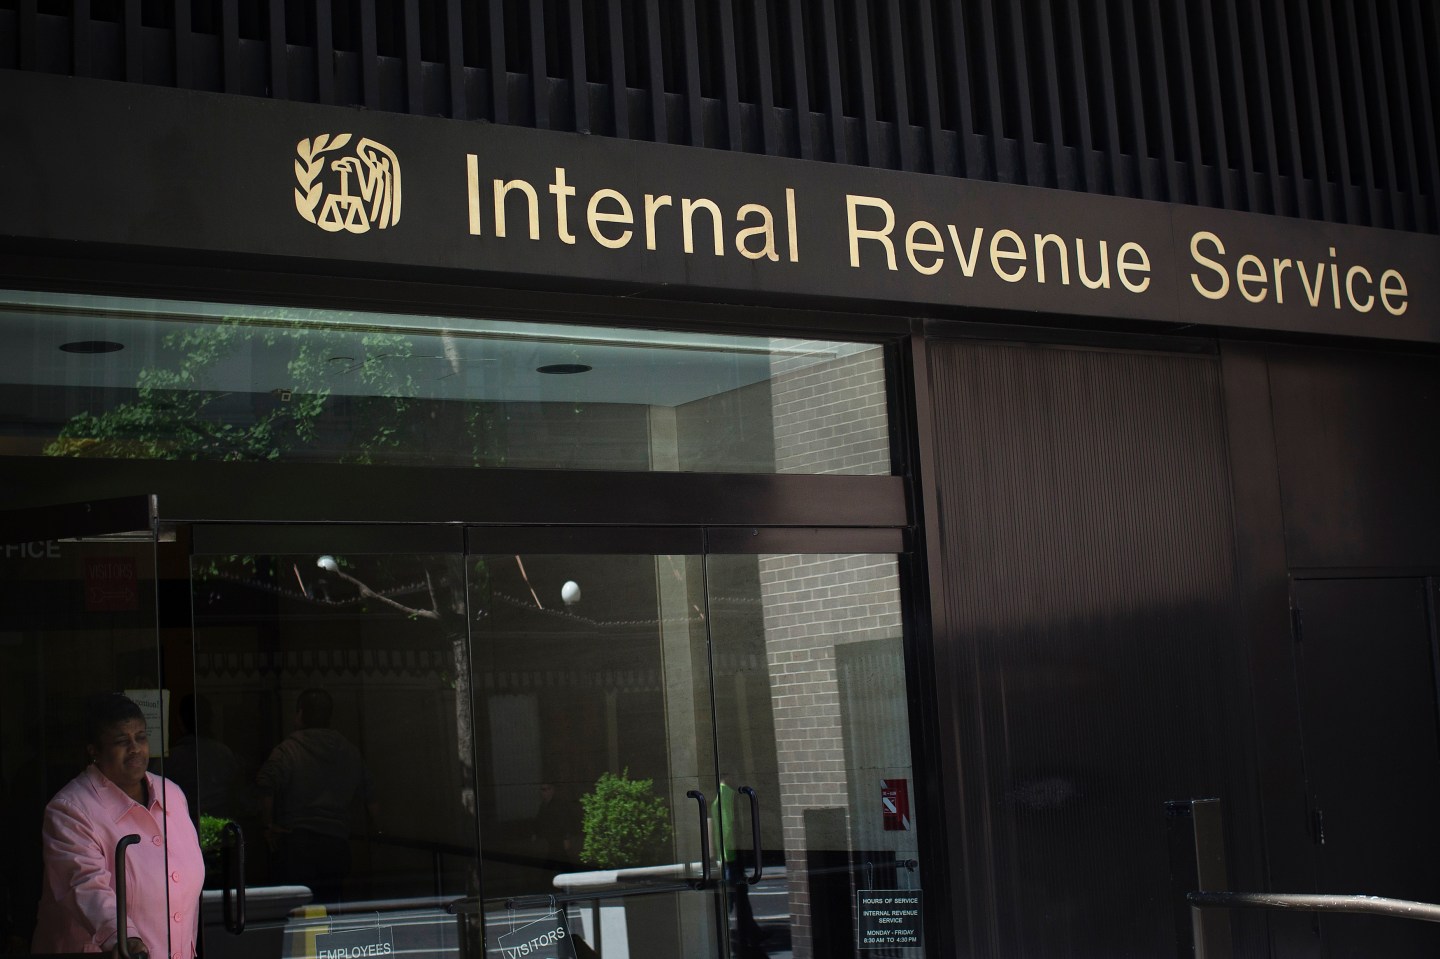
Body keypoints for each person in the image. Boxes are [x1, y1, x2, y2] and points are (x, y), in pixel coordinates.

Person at [32, 692, 205, 958]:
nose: (135, 748)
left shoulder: (171, 793)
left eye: (141, 737)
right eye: (122, 741)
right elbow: (85, 885)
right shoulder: (70, 809)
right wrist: (123, 938)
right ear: (94, 750)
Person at [255, 688, 378, 904]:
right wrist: (374, 832)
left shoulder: (288, 750)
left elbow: (265, 785)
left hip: (297, 846)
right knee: (330, 909)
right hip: (337, 846)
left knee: (298, 913)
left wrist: (268, 825)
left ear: (300, 714)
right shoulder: (349, 751)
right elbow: (371, 797)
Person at [166, 694, 247, 822]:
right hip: (221, 825)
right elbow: (238, 793)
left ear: (180, 721)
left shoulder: (170, 759)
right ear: (211, 720)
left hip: (185, 824)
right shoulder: (224, 753)